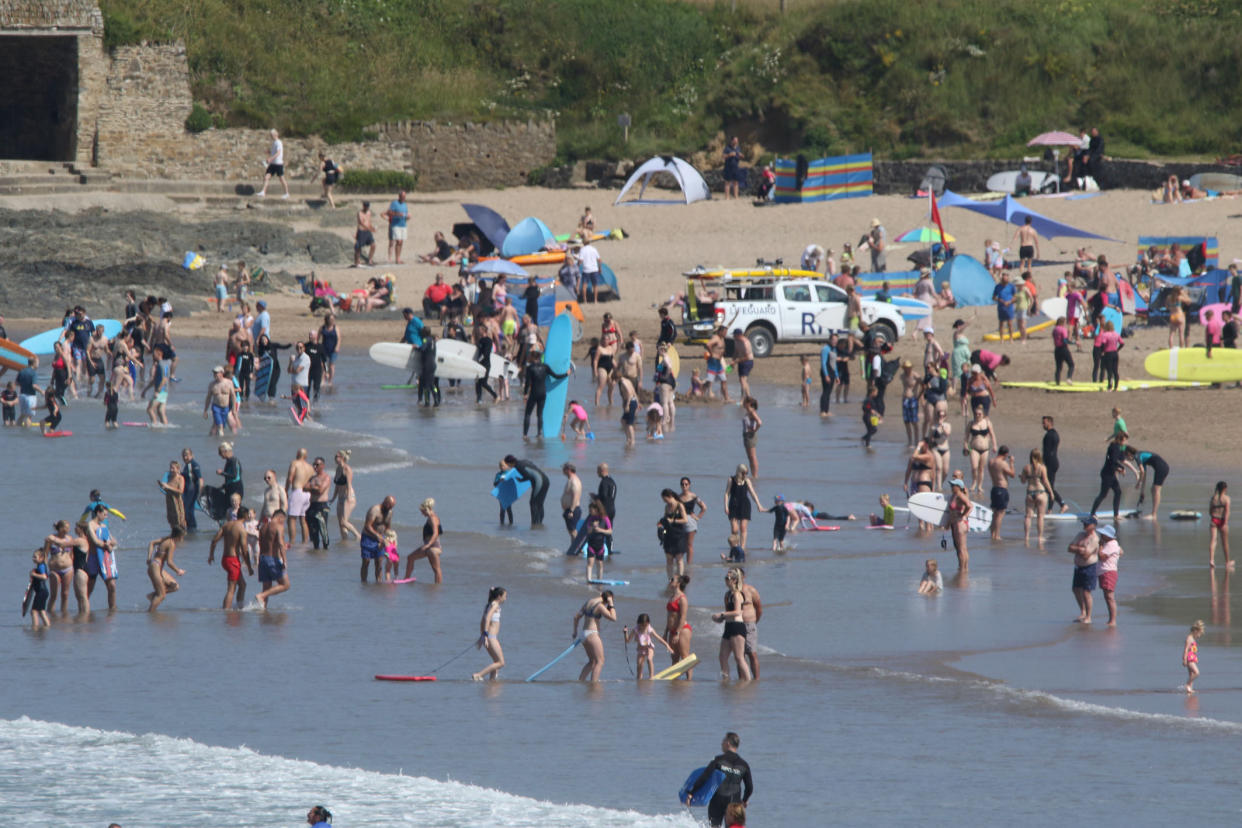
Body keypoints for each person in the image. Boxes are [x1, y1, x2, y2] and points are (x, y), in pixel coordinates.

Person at [208, 509, 253, 610]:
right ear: (246, 516)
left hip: (225, 559)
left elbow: (214, 540)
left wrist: (211, 555)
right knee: (231, 589)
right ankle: (226, 612)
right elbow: (245, 551)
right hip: (233, 561)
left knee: (242, 584)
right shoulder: (241, 529)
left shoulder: (227, 525)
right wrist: (249, 567)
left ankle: (239, 608)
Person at [572, 589, 617, 682]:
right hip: (592, 634)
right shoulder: (600, 606)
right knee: (600, 661)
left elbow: (576, 617)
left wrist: (575, 632)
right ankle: (594, 684)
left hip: (583, 634)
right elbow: (613, 618)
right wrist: (611, 603)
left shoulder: (588, 602)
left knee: (592, 661)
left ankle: (581, 681)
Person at [714, 570, 752, 680]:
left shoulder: (737, 594)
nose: (725, 580)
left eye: (728, 578)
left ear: (734, 580)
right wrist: (720, 618)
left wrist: (721, 614)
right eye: (725, 577)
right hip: (728, 626)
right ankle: (725, 679)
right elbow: (728, 612)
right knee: (722, 656)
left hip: (737, 626)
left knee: (739, 657)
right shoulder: (727, 594)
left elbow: (737, 611)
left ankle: (748, 682)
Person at [521, 350, 567, 438]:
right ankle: (539, 433)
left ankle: (525, 435)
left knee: (528, 414)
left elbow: (527, 382)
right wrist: (566, 374)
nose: (529, 358)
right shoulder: (545, 367)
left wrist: (525, 394)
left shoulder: (530, 368)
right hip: (543, 393)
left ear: (533, 357)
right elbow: (556, 376)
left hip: (534, 393)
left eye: (530, 356)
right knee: (539, 414)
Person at [1090, 434, 1134, 518]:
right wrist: (1121, 468)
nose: (1127, 442)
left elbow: (1121, 458)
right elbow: (1113, 461)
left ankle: (1116, 515)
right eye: (1125, 440)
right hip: (1107, 474)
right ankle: (1092, 514)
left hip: (1111, 474)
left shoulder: (1117, 447)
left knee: (1118, 492)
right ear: (1120, 440)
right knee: (1103, 494)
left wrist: (1126, 464)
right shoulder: (1115, 448)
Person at [724, 464, 765, 551]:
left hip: (745, 505)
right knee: (734, 529)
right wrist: (726, 506)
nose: (745, 475)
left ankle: (742, 547)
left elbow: (753, 493)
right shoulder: (731, 480)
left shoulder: (747, 481)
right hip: (733, 505)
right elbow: (727, 494)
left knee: (743, 527)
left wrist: (759, 504)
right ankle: (735, 546)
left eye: (746, 473)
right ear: (739, 472)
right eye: (744, 473)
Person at [1068, 516, 1100, 623]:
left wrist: (1077, 549)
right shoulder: (1080, 535)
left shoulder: (1094, 539)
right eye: (1084, 523)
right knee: (1076, 589)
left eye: (1087, 524)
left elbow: (1086, 555)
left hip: (1089, 567)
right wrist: (1080, 549)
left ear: (1093, 526)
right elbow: (1069, 548)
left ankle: (1089, 617)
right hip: (1078, 567)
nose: (1085, 525)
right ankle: (1083, 612)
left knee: (1086, 592)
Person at [255, 511, 291, 608]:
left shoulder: (263, 527)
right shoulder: (278, 526)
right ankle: (261, 595)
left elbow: (261, 543)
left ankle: (262, 610)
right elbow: (280, 543)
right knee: (285, 585)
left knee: (266, 587)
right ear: (280, 518)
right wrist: (284, 560)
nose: (283, 523)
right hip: (272, 559)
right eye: (283, 521)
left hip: (262, 559)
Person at [404, 498, 444, 584]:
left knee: (436, 569)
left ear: (426, 509)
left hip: (434, 547)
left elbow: (436, 533)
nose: (422, 513)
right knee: (410, 558)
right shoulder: (431, 518)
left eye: (422, 511)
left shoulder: (433, 518)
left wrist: (428, 545)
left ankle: (438, 587)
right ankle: (406, 579)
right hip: (429, 547)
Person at [1020, 449, 1054, 547]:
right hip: (1040, 492)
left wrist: (1022, 476)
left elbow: (1023, 481)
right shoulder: (1042, 467)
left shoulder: (1026, 467)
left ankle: (1026, 537)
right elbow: (1045, 481)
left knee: (1028, 516)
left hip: (1030, 493)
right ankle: (1040, 537)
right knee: (1040, 517)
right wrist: (1051, 492)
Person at [145, 528, 185, 612]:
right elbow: (169, 562)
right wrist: (178, 571)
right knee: (161, 595)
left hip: (155, 566)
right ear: (178, 536)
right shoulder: (171, 544)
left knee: (175, 586)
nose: (182, 539)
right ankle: (150, 613)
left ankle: (152, 596)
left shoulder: (165, 538)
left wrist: (149, 558)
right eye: (182, 537)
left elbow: (151, 543)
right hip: (156, 567)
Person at [503, 455, 549, 527]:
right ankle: (539, 523)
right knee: (539, 503)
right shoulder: (523, 461)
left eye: (507, 465)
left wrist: (521, 480)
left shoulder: (518, 466)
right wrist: (522, 479)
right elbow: (531, 467)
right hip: (545, 480)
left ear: (509, 463)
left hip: (539, 482)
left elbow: (528, 476)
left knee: (533, 503)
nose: (508, 466)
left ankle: (534, 524)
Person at [472, 586, 507, 681]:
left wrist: (482, 636)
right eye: (505, 596)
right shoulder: (495, 605)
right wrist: (485, 635)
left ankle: (492, 682)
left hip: (489, 637)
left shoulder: (488, 605)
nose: (505, 598)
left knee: (496, 662)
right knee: (501, 662)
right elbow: (487, 618)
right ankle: (478, 675)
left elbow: (482, 621)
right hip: (491, 637)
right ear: (499, 596)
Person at [624, 613, 673, 680]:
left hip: (649, 647)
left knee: (649, 659)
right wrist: (625, 633)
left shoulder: (649, 629)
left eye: (645, 625)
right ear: (638, 623)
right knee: (639, 665)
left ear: (648, 623)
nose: (643, 627)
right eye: (642, 625)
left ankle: (651, 677)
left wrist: (667, 645)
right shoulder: (635, 630)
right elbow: (627, 641)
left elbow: (659, 638)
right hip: (640, 649)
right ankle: (639, 680)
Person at [1126, 446, 1169, 520]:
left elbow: (1141, 471)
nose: (1127, 459)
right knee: (1153, 489)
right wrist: (1142, 492)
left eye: (1126, 456)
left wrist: (1138, 483)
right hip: (1162, 467)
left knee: (1156, 490)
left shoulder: (1137, 456)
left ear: (1128, 453)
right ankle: (1153, 514)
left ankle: (1154, 515)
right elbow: (1144, 475)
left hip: (1162, 467)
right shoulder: (1141, 456)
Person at [663, 574, 693, 680]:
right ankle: (674, 681)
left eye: (672, 579)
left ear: (678, 583)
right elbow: (669, 617)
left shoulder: (682, 598)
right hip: (672, 631)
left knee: (684, 656)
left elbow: (682, 617)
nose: (670, 581)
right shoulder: (671, 597)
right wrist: (665, 632)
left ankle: (689, 680)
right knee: (674, 657)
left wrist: (677, 633)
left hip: (682, 630)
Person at [360, 495, 396, 583]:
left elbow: (387, 527)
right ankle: (364, 582)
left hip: (381, 539)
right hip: (368, 538)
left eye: (391, 507)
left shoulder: (390, 512)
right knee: (366, 562)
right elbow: (367, 526)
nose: (389, 509)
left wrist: (389, 538)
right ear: (385, 502)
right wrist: (377, 536)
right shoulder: (374, 510)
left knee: (379, 562)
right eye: (389, 506)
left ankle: (378, 582)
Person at [965, 405, 996, 498]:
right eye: (976, 414)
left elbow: (992, 435)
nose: (978, 415)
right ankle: (974, 482)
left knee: (981, 468)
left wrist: (995, 445)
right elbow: (966, 437)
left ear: (983, 414)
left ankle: (980, 486)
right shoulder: (971, 424)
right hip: (974, 448)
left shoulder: (987, 423)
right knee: (974, 467)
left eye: (980, 414)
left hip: (985, 449)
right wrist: (965, 446)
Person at [1096, 524, 1123, 626]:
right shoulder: (1112, 544)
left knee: (1109, 597)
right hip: (1106, 571)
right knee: (1107, 596)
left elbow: (1101, 556)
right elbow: (1121, 551)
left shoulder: (1111, 544)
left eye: (1103, 534)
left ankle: (1112, 620)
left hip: (1108, 572)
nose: (1101, 535)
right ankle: (1111, 619)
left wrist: (1100, 545)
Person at [285, 448, 313, 544]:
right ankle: (305, 542)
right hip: (308, 494)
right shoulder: (310, 467)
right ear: (306, 456)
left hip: (297, 491)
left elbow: (290, 478)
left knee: (291, 518)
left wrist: (285, 491)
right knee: (303, 519)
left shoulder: (295, 463)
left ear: (297, 454)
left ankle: (292, 542)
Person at [659, 488, 689, 579]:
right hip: (668, 535)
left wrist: (673, 520)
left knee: (679, 558)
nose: (665, 501)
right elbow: (665, 519)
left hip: (679, 535)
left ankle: (680, 578)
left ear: (670, 496)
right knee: (669, 558)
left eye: (665, 499)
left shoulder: (679, 506)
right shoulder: (666, 507)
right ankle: (670, 579)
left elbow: (685, 520)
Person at [988, 445, 1016, 541]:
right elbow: (1012, 474)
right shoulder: (1003, 463)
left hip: (994, 488)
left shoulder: (991, 461)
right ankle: (997, 535)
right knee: (1000, 513)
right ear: (1006, 454)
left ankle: (992, 534)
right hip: (1001, 489)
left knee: (995, 513)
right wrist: (1011, 463)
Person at [581, 498, 613, 582]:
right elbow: (588, 531)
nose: (589, 512)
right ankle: (589, 580)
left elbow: (610, 531)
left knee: (600, 564)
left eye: (591, 510)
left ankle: (600, 580)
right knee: (590, 563)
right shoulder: (591, 519)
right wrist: (593, 526)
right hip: (591, 544)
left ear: (597, 509)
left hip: (600, 545)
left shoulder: (605, 518)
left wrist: (600, 530)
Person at [331, 450, 360, 540]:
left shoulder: (347, 469)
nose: (335, 458)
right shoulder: (338, 469)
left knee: (344, 522)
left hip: (348, 497)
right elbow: (337, 485)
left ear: (342, 458)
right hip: (340, 498)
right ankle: (345, 541)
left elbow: (348, 484)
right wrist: (333, 498)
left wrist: (347, 497)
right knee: (341, 523)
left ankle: (358, 536)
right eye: (335, 456)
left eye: (337, 456)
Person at [306, 456, 333, 550]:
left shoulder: (326, 477)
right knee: (313, 531)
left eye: (317, 465)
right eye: (314, 464)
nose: (315, 467)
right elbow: (304, 488)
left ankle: (326, 550)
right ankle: (316, 550)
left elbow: (320, 491)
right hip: (312, 505)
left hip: (322, 506)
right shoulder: (312, 478)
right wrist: (315, 487)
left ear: (323, 465)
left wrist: (312, 488)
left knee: (323, 530)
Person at [678, 476, 706, 564]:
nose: (684, 486)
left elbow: (704, 507)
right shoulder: (678, 497)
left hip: (690, 521)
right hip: (681, 521)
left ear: (689, 485)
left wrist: (698, 517)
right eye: (682, 484)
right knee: (681, 544)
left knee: (689, 544)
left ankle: (689, 564)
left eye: (686, 484)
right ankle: (680, 563)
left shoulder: (693, 496)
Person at [947, 475, 972, 570]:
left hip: (960, 523)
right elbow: (951, 512)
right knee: (960, 548)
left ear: (958, 487)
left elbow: (970, 505)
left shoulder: (960, 495)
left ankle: (963, 569)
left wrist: (964, 515)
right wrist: (948, 523)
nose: (951, 487)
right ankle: (962, 567)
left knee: (962, 549)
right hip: (955, 523)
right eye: (951, 485)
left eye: (953, 485)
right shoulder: (954, 495)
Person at [257, 128, 289, 199]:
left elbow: (278, 152)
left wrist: (271, 158)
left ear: (275, 134)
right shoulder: (274, 143)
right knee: (266, 177)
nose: (271, 136)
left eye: (272, 135)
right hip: (272, 164)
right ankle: (263, 192)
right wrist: (268, 152)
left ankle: (286, 193)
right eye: (270, 135)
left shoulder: (278, 142)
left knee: (281, 178)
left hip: (278, 164)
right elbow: (273, 151)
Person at [159, 459, 187, 533]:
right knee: (171, 520)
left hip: (177, 501)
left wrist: (168, 487)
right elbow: (167, 489)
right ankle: (174, 537)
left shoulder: (180, 478)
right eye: (170, 468)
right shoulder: (169, 477)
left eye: (173, 468)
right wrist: (163, 487)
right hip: (169, 501)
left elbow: (181, 491)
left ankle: (182, 536)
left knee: (180, 521)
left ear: (178, 469)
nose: (171, 470)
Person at [1209, 481, 1231, 569]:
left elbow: (1210, 511)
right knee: (1225, 543)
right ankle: (1227, 562)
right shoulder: (1226, 499)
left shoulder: (1213, 498)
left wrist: (1213, 516)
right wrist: (1225, 523)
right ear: (1225, 489)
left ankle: (1211, 560)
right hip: (1222, 521)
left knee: (1213, 540)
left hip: (1214, 519)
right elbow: (1227, 512)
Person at [383, 190, 409, 264]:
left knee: (401, 242)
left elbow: (405, 214)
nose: (404, 198)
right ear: (399, 196)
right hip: (395, 225)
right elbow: (388, 212)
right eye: (403, 196)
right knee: (398, 241)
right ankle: (397, 259)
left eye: (405, 196)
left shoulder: (405, 204)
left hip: (403, 224)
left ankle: (398, 257)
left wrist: (407, 217)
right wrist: (397, 214)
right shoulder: (394, 203)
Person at [705, 326, 730, 401]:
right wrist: (711, 353)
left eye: (726, 332)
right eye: (724, 332)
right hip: (713, 361)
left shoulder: (722, 338)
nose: (726, 334)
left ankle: (727, 398)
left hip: (718, 362)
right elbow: (708, 344)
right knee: (710, 381)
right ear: (720, 332)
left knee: (724, 379)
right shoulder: (716, 338)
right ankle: (702, 393)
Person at [1182, 619, 1205, 694]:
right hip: (1189, 659)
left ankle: (1189, 689)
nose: (1199, 636)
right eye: (1199, 634)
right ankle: (1187, 684)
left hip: (1192, 658)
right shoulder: (1189, 639)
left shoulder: (1192, 639)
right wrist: (1184, 659)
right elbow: (1186, 650)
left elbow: (1193, 650)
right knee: (1197, 672)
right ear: (1196, 631)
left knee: (1191, 674)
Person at [740, 396, 762, 476]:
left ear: (748, 403)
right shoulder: (748, 412)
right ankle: (753, 475)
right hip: (746, 436)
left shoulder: (752, 412)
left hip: (750, 436)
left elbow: (759, 422)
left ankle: (755, 475)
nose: (743, 403)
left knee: (752, 457)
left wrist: (754, 430)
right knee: (750, 457)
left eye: (744, 402)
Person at [992, 271, 1016, 341]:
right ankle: (1002, 338)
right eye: (1004, 279)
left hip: (1009, 306)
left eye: (1006, 278)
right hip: (1001, 307)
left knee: (1010, 323)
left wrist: (1010, 301)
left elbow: (1015, 296)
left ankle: (1011, 338)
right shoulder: (998, 286)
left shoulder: (1011, 286)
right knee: (1001, 323)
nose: (1005, 280)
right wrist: (1001, 300)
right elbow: (993, 297)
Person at [731, 329, 755, 400]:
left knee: (742, 380)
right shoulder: (736, 341)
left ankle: (746, 398)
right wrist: (733, 360)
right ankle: (745, 397)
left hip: (748, 362)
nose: (733, 336)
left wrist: (736, 361)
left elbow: (747, 357)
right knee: (742, 380)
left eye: (734, 335)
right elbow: (736, 351)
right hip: (740, 361)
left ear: (739, 335)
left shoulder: (745, 343)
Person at [354, 201, 377, 267]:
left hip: (368, 231)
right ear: (363, 206)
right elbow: (361, 223)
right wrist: (370, 229)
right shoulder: (360, 213)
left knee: (373, 245)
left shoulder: (369, 212)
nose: (367, 207)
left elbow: (368, 222)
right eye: (366, 206)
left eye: (368, 206)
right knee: (358, 247)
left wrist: (372, 228)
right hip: (361, 231)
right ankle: (357, 261)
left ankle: (370, 259)